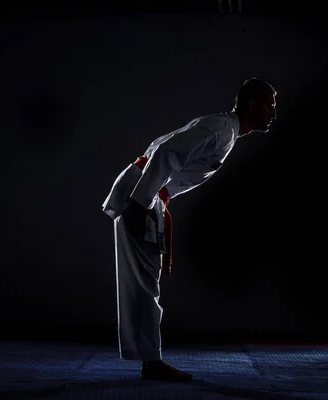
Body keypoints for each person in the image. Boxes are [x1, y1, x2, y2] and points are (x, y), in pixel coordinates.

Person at [102, 77, 277, 381]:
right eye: (270, 106)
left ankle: (149, 360)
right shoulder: (222, 130)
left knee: (144, 281)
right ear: (253, 105)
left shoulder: (224, 129)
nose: (273, 114)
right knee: (145, 282)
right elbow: (167, 151)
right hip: (144, 192)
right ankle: (151, 363)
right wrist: (141, 203)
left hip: (147, 190)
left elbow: (166, 151)